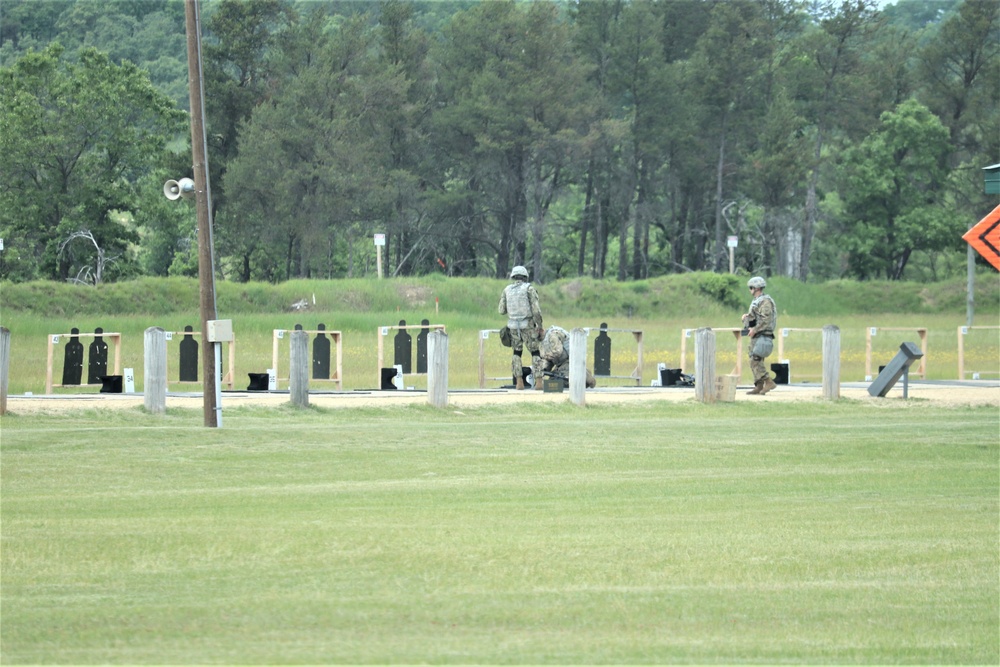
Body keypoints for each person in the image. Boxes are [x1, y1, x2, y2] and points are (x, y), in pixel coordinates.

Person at [498, 265, 543, 390]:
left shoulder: (506, 290)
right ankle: (539, 382)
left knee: (516, 353)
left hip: (512, 326)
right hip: (528, 325)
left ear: (513, 276)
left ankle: (519, 382)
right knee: (535, 352)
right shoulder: (529, 289)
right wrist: (540, 326)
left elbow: (501, 310)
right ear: (525, 276)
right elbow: (536, 311)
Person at [742, 276, 777, 395]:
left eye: (751, 287)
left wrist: (755, 329)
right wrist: (746, 318)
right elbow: (755, 318)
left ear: (756, 288)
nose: (749, 290)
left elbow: (765, 319)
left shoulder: (765, 301)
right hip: (757, 335)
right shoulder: (757, 301)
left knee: (756, 359)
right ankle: (759, 384)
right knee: (754, 358)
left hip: (762, 334)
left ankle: (768, 381)